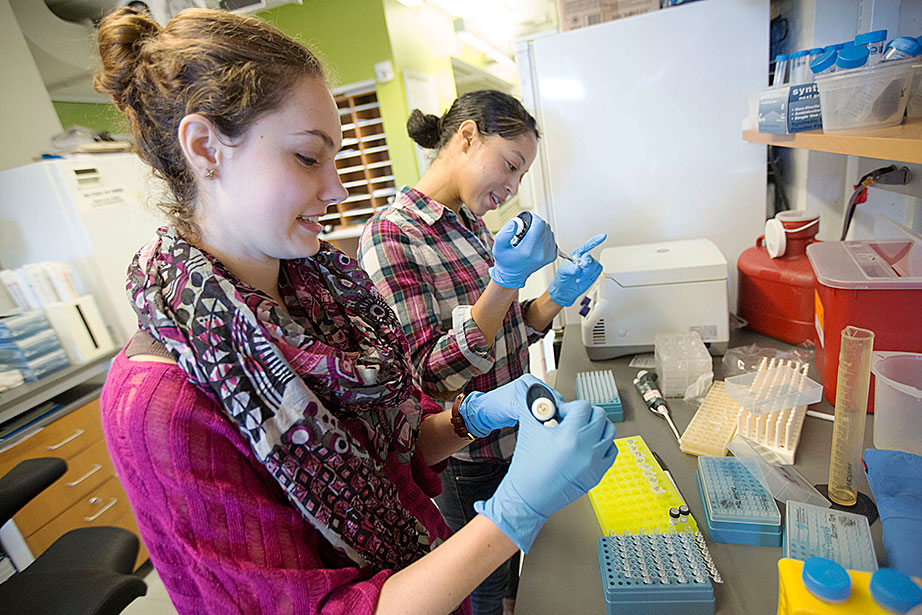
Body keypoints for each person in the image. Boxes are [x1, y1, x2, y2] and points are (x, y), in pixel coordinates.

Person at [93, 7, 617, 615]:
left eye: (335, 159)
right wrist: (516, 511)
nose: (337, 189)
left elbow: (384, 456)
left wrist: (471, 416)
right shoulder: (160, 403)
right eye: (307, 158)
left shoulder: (322, 298)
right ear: (206, 147)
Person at [357, 91, 607, 615]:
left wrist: (555, 296)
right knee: (482, 590)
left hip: (519, 434)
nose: (513, 189)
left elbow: (509, 334)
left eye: (521, 176)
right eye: (511, 166)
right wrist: (505, 280)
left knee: (518, 568)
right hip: (467, 455)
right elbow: (428, 378)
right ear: (468, 137)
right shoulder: (390, 236)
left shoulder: (470, 223)